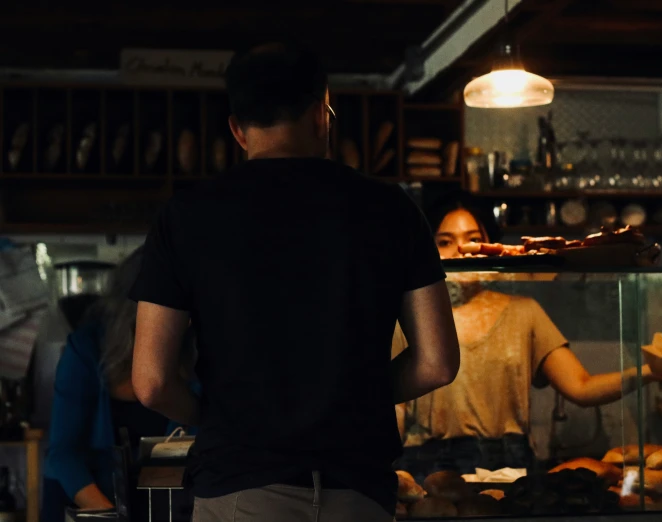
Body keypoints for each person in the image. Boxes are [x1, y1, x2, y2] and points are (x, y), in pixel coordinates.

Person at [128, 43, 459, 522]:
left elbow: (151, 383)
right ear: (321, 115)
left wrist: (221, 417)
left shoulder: (185, 217)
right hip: (358, 493)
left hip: (238, 487)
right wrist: (351, 397)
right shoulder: (391, 210)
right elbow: (437, 363)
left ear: (237, 130)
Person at [394, 199, 662, 481]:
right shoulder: (412, 319)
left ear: (489, 246)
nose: (463, 251)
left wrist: (651, 371)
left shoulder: (524, 312)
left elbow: (581, 387)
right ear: (429, 249)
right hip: (427, 464)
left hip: (508, 464)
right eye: (445, 241)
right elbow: (394, 406)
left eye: (474, 240)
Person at [42, 248, 196, 522]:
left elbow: (182, 447)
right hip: (85, 502)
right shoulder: (86, 349)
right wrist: (110, 516)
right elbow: (64, 453)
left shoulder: (192, 354)